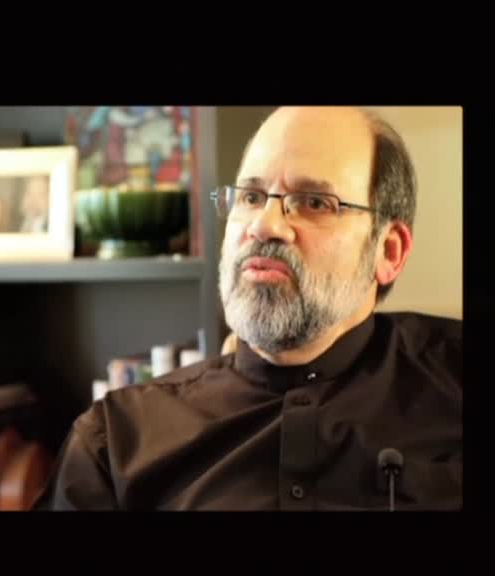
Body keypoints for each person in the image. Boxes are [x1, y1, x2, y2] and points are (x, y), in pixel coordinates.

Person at [34, 107, 462, 511]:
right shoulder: (115, 442)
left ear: (388, 251)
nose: (264, 225)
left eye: (314, 202)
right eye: (252, 197)